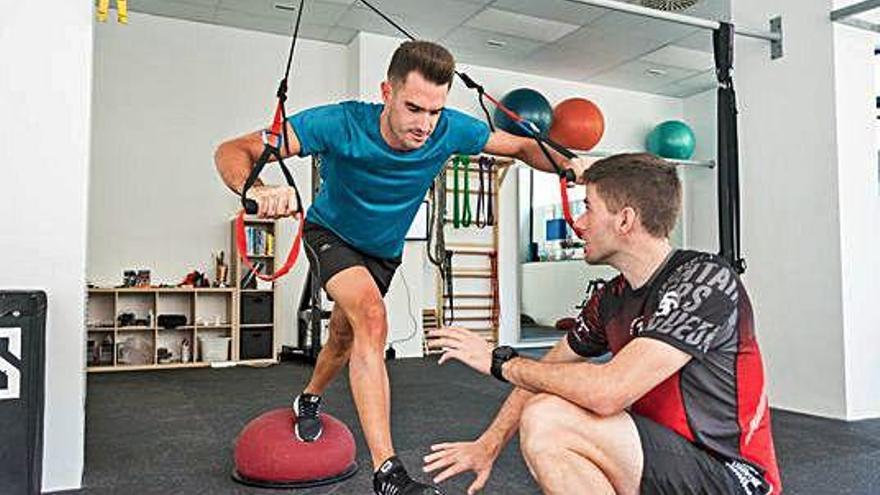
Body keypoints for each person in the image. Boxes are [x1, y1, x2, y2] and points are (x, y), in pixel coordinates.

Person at [214, 40, 587, 495]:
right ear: (386, 91)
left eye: (434, 111)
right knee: (372, 317)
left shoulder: (449, 129)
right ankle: (388, 473)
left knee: (344, 336)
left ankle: (308, 397)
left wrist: (571, 169)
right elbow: (234, 149)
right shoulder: (340, 122)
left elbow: (522, 146)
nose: (425, 125)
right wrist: (254, 188)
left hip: (383, 252)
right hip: (331, 234)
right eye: (413, 108)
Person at [426, 153, 782, 495]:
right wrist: (487, 445)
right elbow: (549, 368)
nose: (578, 223)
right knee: (544, 413)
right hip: (661, 460)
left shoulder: (705, 280)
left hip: (732, 477)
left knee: (550, 419)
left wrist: (501, 362)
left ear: (625, 220)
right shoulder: (612, 298)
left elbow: (608, 391)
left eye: (588, 208)